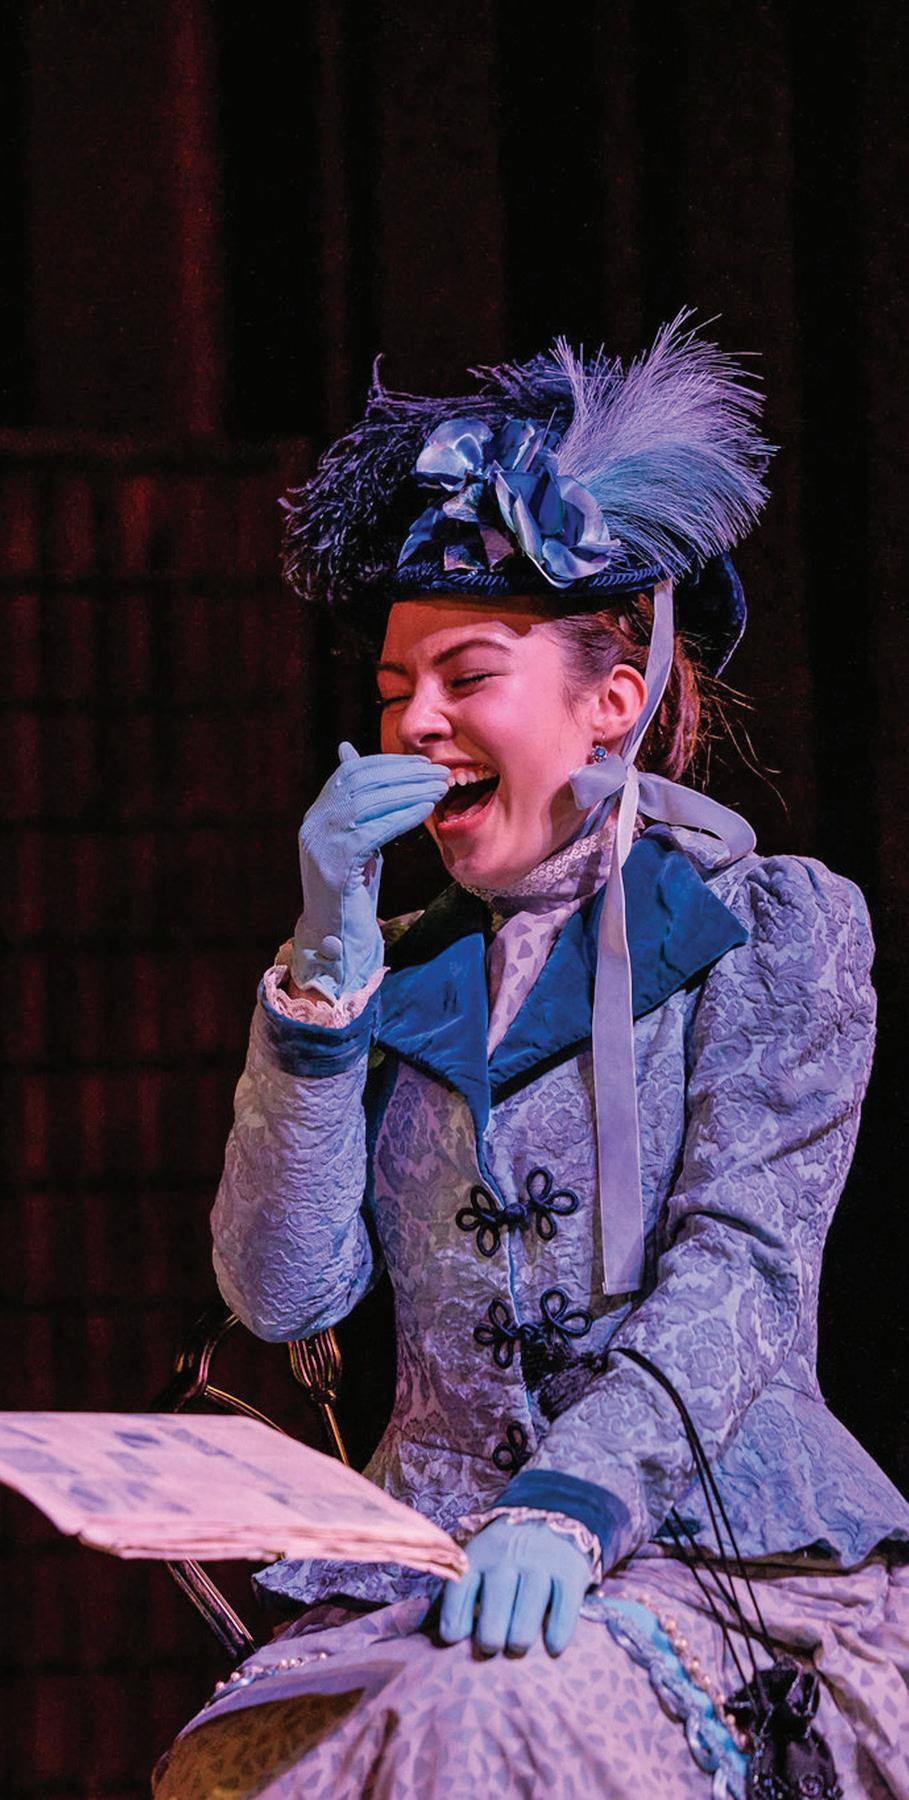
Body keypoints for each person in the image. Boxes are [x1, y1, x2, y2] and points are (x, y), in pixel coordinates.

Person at [154, 318, 909, 1799]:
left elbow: (745, 1269)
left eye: (466, 675)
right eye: (393, 690)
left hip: (699, 1546)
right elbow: (283, 1292)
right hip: (425, 1559)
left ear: (608, 704)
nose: (415, 722)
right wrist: (322, 974)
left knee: (477, 1733)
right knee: (239, 1767)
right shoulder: (396, 968)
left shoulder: (768, 931)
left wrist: (572, 1496)